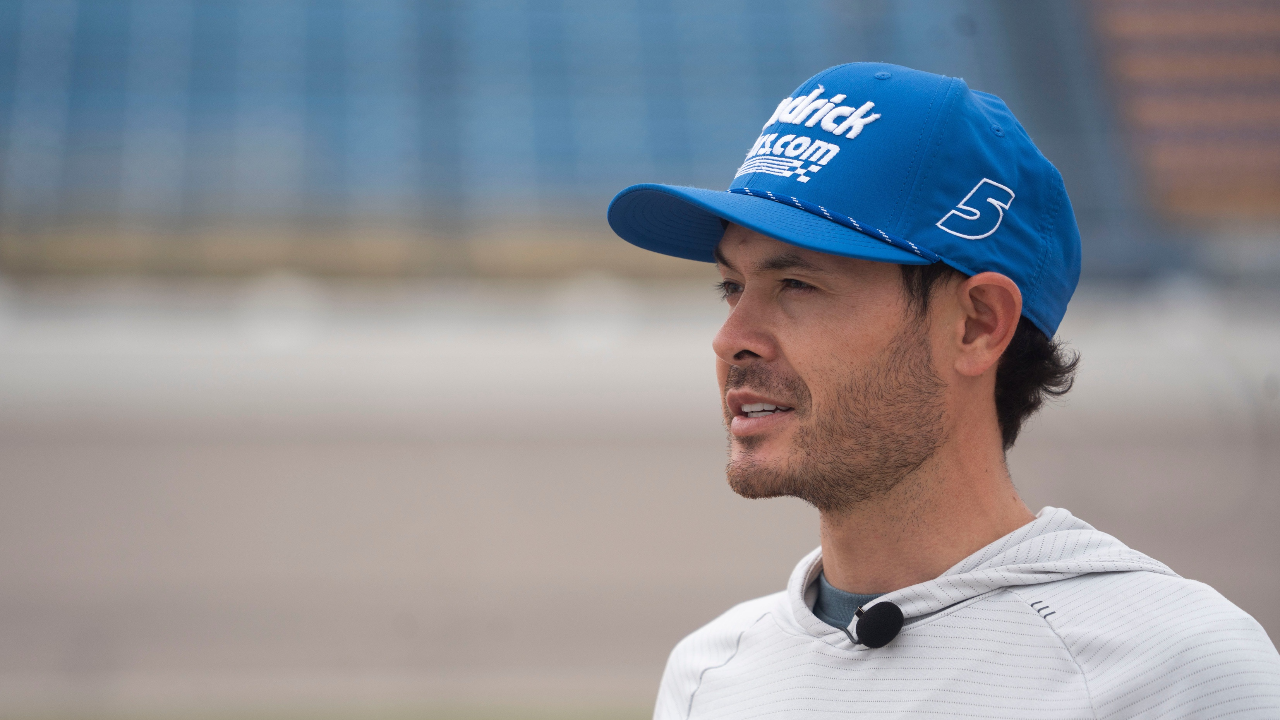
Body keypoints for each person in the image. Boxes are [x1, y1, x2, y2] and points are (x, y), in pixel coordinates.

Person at [606, 63, 1280, 719]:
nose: (731, 339)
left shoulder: (1174, 669)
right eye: (731, 286)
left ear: (977, 325)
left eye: (797, 285)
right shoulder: (710, 672)